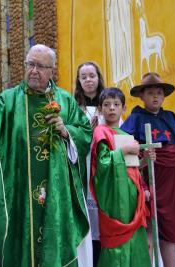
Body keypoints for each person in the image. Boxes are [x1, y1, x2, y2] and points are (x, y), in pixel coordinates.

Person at [0, 44, 92, 266]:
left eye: (40, 66)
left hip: (56, 193)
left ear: (52, 70)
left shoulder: (66, 100)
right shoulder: (9, 100)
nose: (33, 71)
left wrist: (66, 130)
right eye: (30, 64)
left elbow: (86, 132)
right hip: (20, 192)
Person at [120, 72, 175, 267]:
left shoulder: (171, 117)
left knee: (170, 230)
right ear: (141, 96)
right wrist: (142, 161)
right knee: (148, 228)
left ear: (164, 96)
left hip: (172, 184)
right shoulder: (135, 118)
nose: (155, 97)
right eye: (150, 92)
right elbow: (125, 150)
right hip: (148, 180)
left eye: (159, 93)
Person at [90, 87, 151, 267]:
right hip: (115, 198)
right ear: (100, 109)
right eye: (107, 105)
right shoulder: (101, 132)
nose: (111, 108)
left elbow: (133, 169)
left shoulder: (126, 135)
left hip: (131, 196)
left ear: (123, 108)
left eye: (116, 104)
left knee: (135, 238)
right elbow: (102, 165)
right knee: (118, 240)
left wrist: (146, 159)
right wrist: (123, 151)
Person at [74, 61, 105, 266]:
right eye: (83, 77)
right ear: (78, 81)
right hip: (81, 167)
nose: (88, 80)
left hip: (103, 166)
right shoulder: (73, 106)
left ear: (98, 78)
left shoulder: (109, 102)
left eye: (92, 75)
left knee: (103, 217)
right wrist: (86, 131)